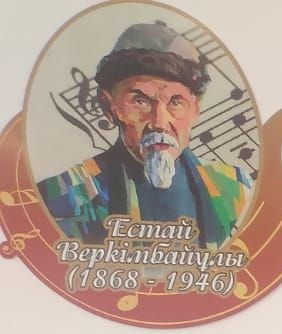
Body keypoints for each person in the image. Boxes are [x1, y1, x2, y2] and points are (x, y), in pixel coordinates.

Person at [36, 22, 251, 248]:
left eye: (175, 102)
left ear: (195, 110)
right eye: (140, 101)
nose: (160, 123)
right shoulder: (62, 198)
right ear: (109, 106)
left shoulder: (235, 188)